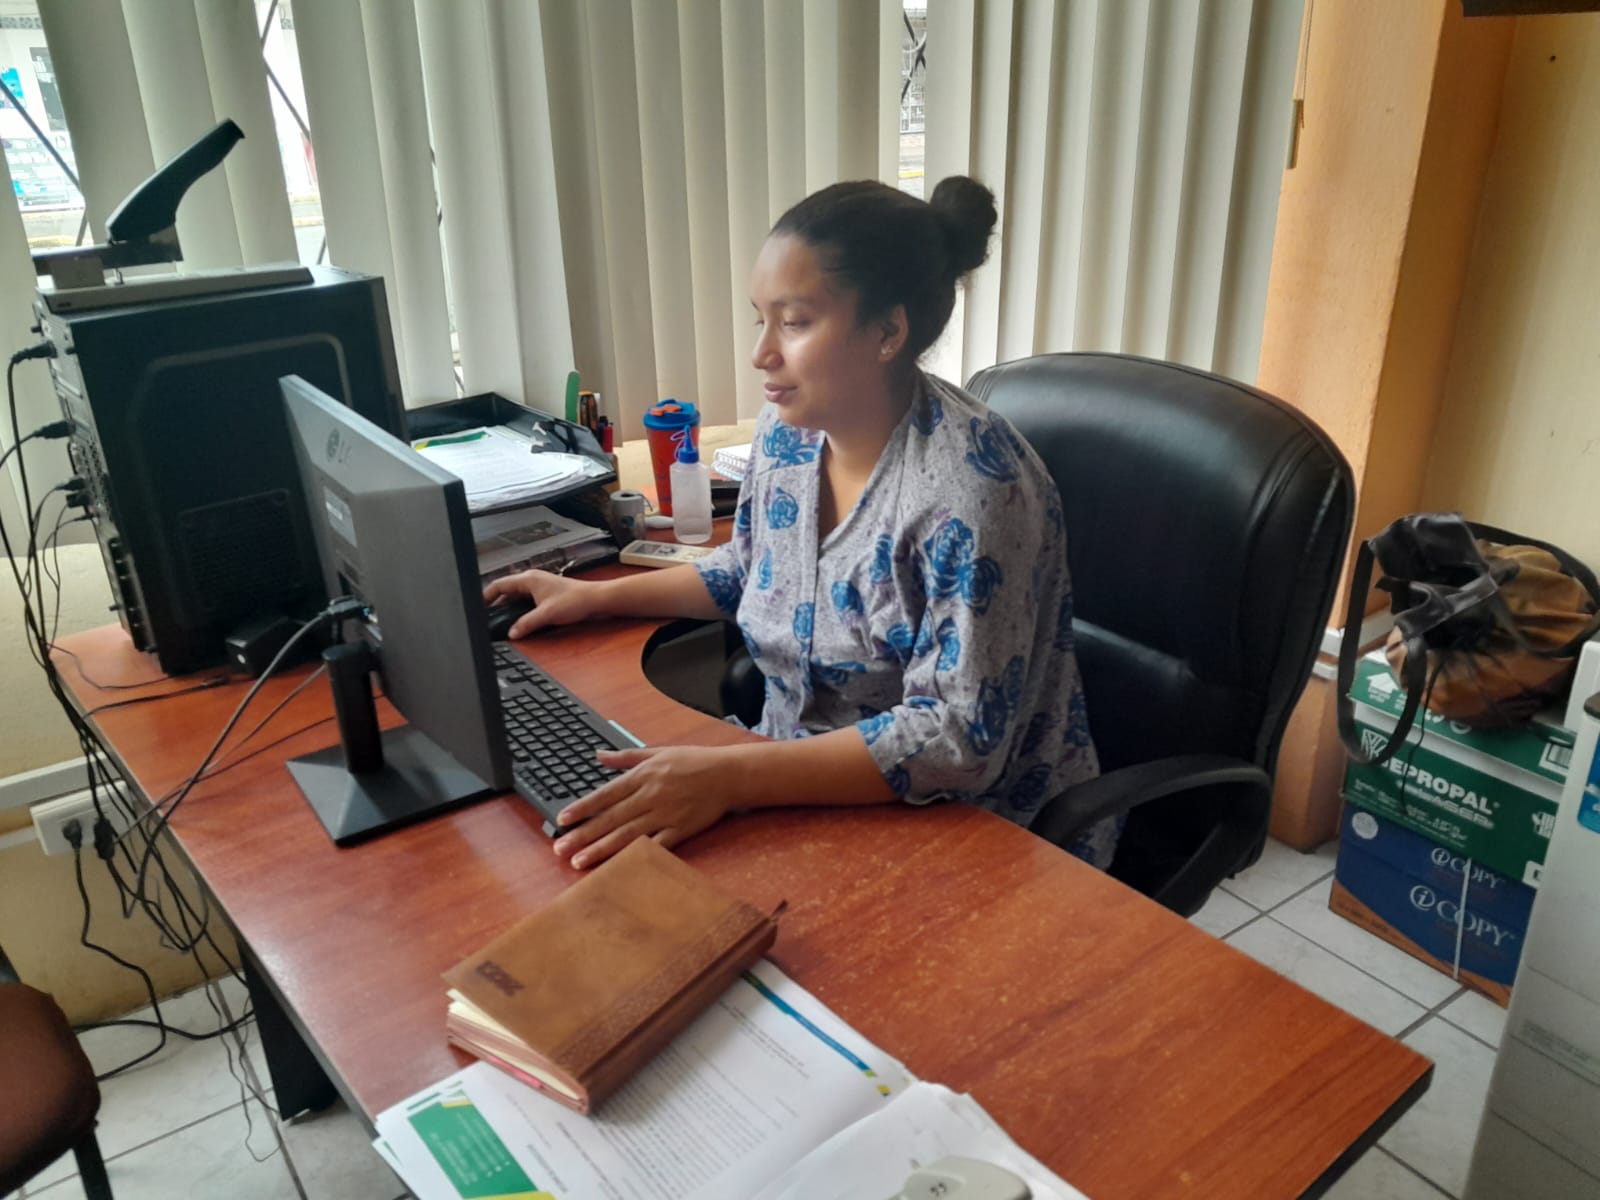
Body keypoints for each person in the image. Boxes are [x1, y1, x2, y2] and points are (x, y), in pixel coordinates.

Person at [485, 177, 1113, 871]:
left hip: (966, 830)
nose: (762, 354)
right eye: (761, 319)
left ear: (887, 332)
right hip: (792, 782)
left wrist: (728, 779)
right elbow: (751, 569)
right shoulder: (790, 431)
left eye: (794, 323)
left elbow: (957, 740)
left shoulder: (972, 494)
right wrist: (592, 598)